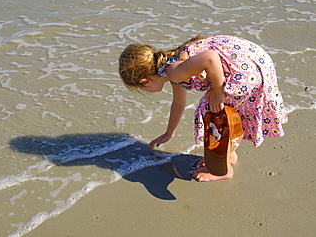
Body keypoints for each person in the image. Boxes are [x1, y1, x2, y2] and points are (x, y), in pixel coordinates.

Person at [118, 34, 287, 182]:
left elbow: (210, 58)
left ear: (145, 81)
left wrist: (219, 91)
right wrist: (169, 133)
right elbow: (179, 103)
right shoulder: (172, 67)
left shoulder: (175, 72)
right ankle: (228, 153)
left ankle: (223, 169)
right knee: (230, 112)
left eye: (142, 90)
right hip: (254, 58)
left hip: (246, 71)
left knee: (211, 112)